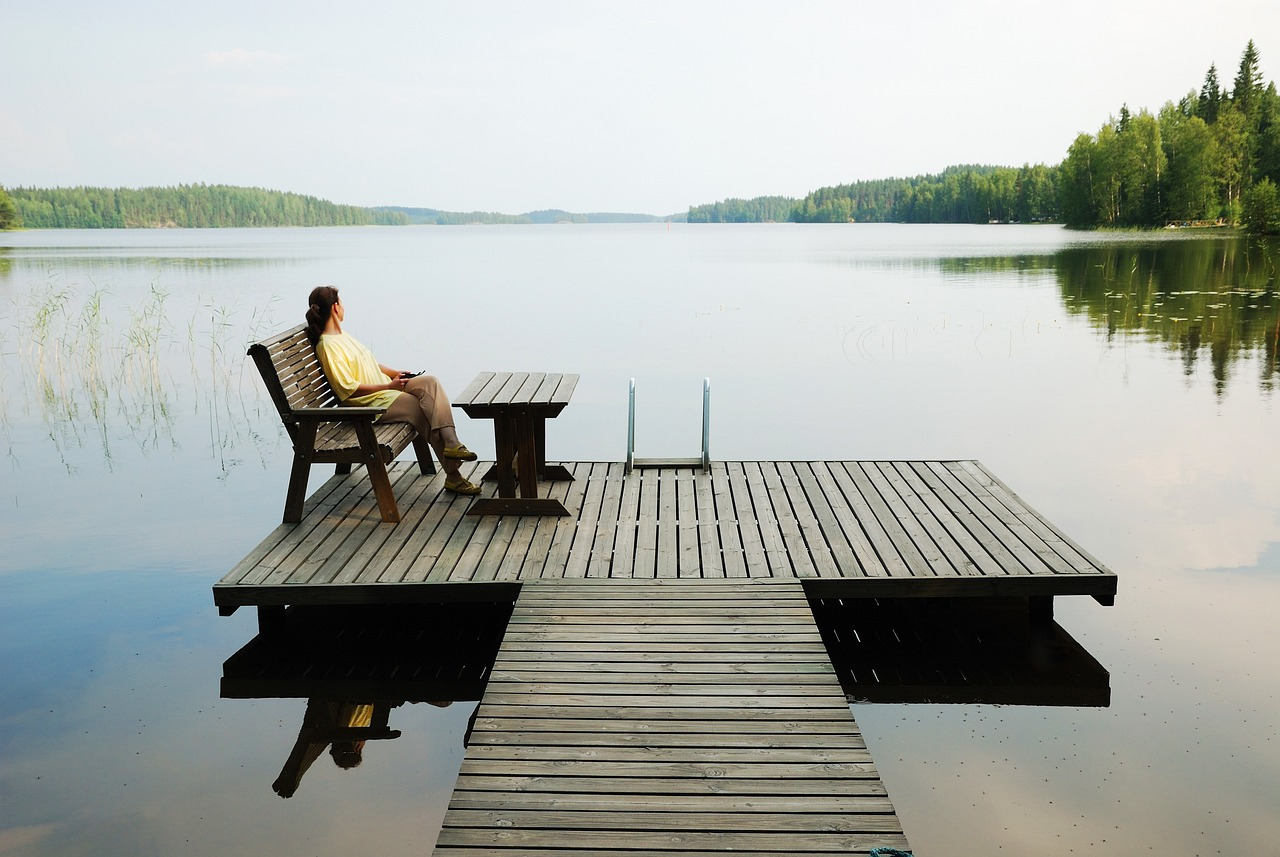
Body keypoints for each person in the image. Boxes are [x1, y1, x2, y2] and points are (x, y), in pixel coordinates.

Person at [305, 285, 481, 495]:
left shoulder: (343, 336)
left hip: (387, 390)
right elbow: (348, 390)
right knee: (420, 409)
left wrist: (394, 373)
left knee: (430, 383)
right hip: (371, 403)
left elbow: (370, 363)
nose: (344, 307)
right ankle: (454, 476)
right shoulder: (328, 346)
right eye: (342, 303)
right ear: (335, 307)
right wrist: (388, 386)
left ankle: (452, 442)